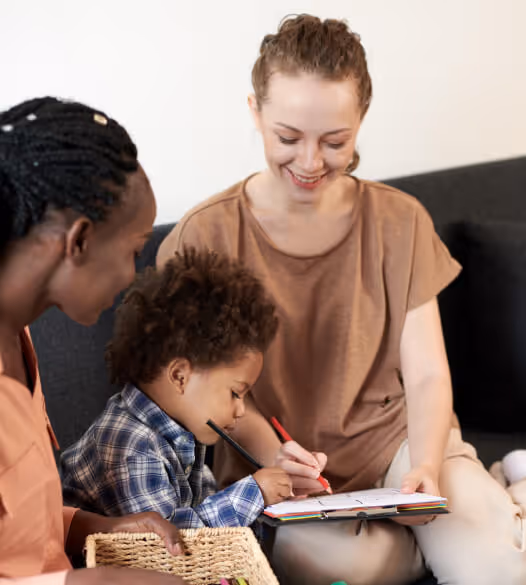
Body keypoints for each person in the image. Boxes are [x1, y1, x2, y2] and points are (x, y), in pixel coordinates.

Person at [157, 14, 526, 585]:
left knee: (493, 571)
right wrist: (275, 457)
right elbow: (206, 390)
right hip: (283, 471)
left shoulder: (399, 221)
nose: (310, 162)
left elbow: (427, 374)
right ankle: (495, 508)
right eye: (287, 138)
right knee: (318, 564)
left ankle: (477, 517)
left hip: (401, 443)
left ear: (361, 121)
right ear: (254, 111)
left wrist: (427, 465)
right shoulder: (204, 237)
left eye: (335, 141)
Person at [0, 97, 188, 585]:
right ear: (79, 240)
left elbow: (21, 532)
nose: (131, 276)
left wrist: (101, 528)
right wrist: (93, 583)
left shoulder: (17, 337)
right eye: (133, 250)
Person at [60, 247, 292, 527]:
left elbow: (207, 514)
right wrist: (253, 494)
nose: (241, 410)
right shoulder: (131, 445)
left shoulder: (183, 433)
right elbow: (166, 541)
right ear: (180, 376)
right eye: (235, 393)